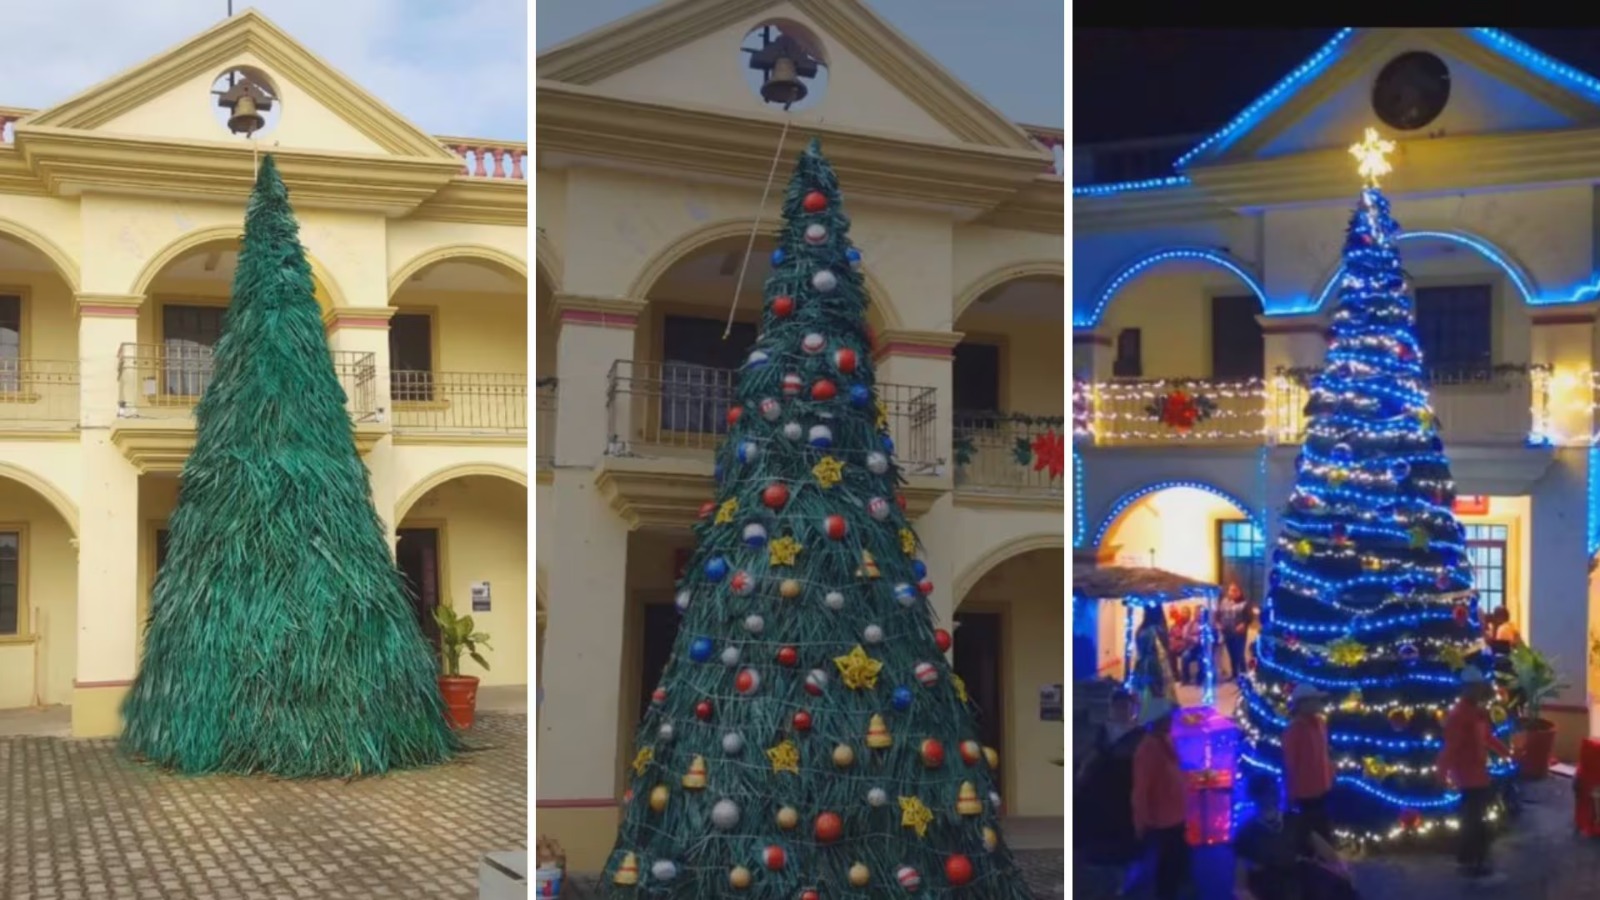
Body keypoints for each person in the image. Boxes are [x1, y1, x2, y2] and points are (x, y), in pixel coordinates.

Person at [1437, 665, 1510, 885]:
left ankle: (1472, 858)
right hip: (1468, 775)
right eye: (1476, 688)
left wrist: (1506, 753)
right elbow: (1452, 746)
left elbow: (1486, 737)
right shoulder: (1460, 715)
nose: (1479, 692)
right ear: (1467, 689)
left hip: (1478, 773)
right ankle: (1473, 861)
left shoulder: (1476, 713)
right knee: (1473, 819)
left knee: (1475, 817)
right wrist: (1442, 772)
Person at [1233, 774, 1357, 900]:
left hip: (1300, 878)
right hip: (1270, 885)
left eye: (1274, 792)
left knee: (1338, 890)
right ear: (1256, 797)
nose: (1272, 797)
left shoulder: (1293, 820)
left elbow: (1323, 848)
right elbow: (1240, 885)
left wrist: (1340, 868)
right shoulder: (1247, 833)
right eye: (1266, 793)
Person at [1075, 690, 1144, 889]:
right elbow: (1087, 761)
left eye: (1126, 706)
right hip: (1099, 800)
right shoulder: (1099, 733)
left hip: (1125, 799)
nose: (1122, 710)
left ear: (1134, 709)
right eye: (1118, 706)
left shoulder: (1140, 737)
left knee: (1122, 848)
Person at [1132, 698, 1191, 900]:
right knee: (1164, 875)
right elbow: (1141, 790)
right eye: (1168, 717)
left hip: (1175, 820)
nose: (1172, 720)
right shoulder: (1148, 749)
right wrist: (1143, 823)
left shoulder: (1166, 741)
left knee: (1174, 871)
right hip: (1160, 824)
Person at [1282, 684, 1334, 848]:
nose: (1319, 704)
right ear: (1302, 704)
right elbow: (1290, 764)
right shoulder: (1294, 731)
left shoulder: (1320, 723)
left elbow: (1324, 752)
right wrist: (1290, 793)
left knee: (1322, 826)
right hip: (1306, 792)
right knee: (1312, 830)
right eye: (1315, 700)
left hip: (1323, 786)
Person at [1132, 607, 1177, 707]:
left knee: (1143, 693)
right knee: (1158, 693)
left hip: (1141, 664)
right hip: (1156, 664)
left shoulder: (1140, 630)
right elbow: (1164, 649)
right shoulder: (1158, 630)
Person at [1217, 583, 1253, 681]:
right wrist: (1218, 624)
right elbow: (1218, 615)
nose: (1232, 592)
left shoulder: (1244, 604)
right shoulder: (1223, 602)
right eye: (1231, 590)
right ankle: (1234, 675)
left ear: (1240, 592)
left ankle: (1244, 675)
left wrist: (1244, 624)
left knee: (1239, 655)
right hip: (1227, 632)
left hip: (1239, 634)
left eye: (1235, 590)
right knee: (1232, 654)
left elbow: (1249, 617)